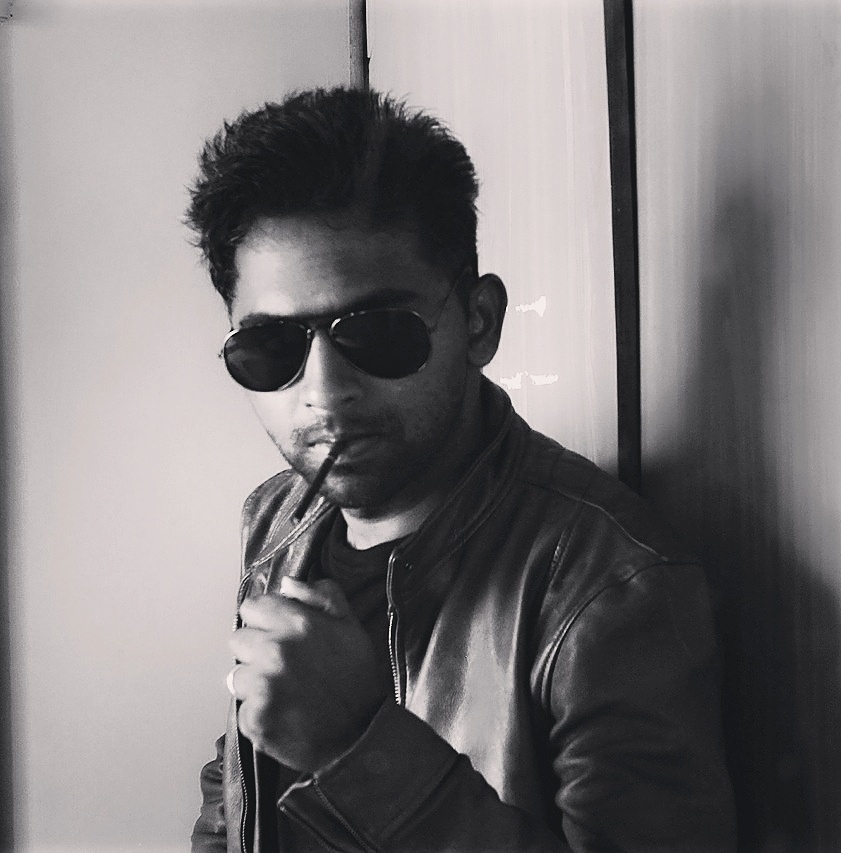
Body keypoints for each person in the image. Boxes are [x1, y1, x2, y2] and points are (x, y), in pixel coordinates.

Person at [187, 86, 735, 852]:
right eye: (269, 348)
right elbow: (240, 769)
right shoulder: (276, 517)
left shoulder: (610, 587)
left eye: (378, 331)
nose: (323, 392)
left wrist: (357, 748)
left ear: (478, 322)